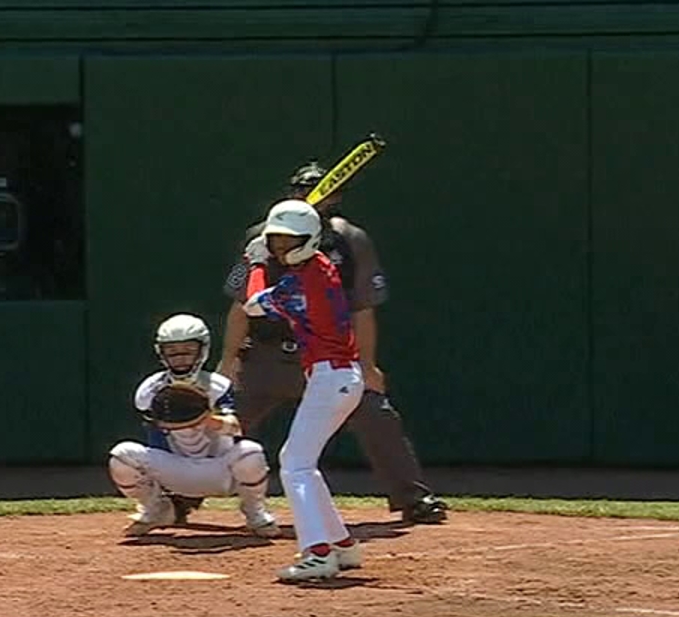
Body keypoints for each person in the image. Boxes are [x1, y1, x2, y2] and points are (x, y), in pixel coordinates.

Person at [211, 160, 448, 527]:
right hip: (267, 359)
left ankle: (404, 501)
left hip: (324, 365)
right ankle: (178, 495)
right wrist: (228, 362)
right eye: (300, 190)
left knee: (362, 421)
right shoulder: (260, 238)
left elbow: (356, 308)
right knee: (218, 420)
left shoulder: (335, 251)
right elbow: (240, 303)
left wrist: (368, 365)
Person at [241, 200, 368, 582]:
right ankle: (341, 545)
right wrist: (268, 259)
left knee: (295, 463)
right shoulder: (318, 267)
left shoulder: (305, 281)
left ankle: (317, 554)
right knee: (301, 461)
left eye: (286, 241)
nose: (280, 247)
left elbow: (252, 306)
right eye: (275, 241)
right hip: (336, 377)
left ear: (309, 239)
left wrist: (257, 265)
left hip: (332, 377)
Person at [107, 313, 279, 538]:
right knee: (121, 455)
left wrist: (203, 418)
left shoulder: (217, 386)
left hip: (219, 469)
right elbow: (156, 442)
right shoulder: (150, 389)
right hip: (174, 470)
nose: (180, 359)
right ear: (161, 353)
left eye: (187, 351)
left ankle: (255, 512)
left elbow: (235, 428)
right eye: (172, 352)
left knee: (251, 452)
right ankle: (157, 508)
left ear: (202, 350)